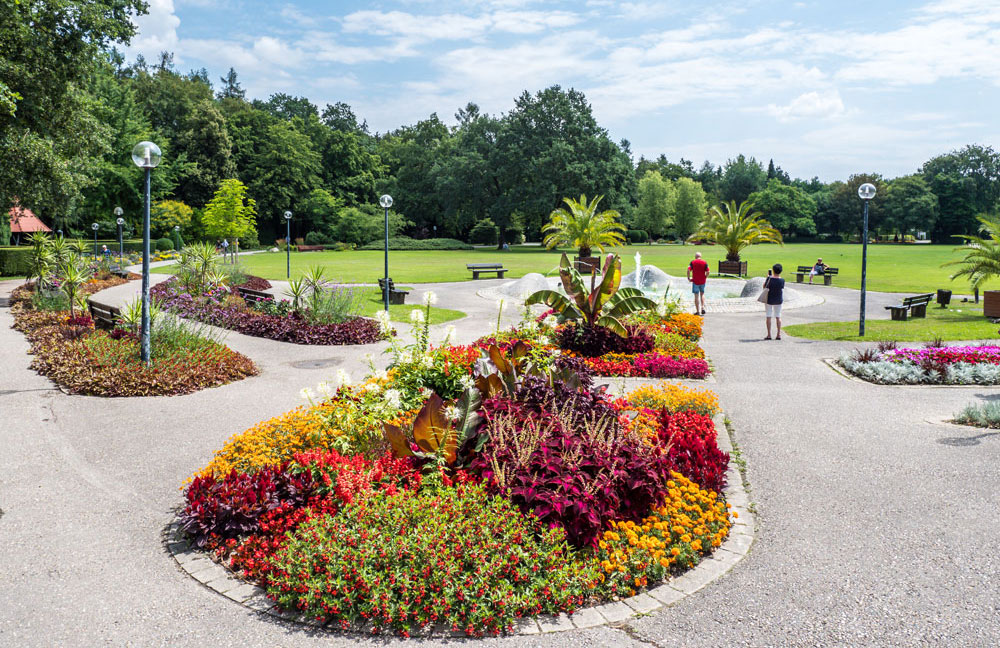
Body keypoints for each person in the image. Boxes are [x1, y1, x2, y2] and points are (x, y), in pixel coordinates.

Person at [764, 263, 785, 340]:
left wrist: (767, 278)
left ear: (773, 270)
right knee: (778, 317)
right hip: (778, 299)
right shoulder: (782, 280)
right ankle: (778, 334)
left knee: (768, 316)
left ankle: (769, 335)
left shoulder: (769, 279)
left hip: (769, 299)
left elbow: (764, 286)